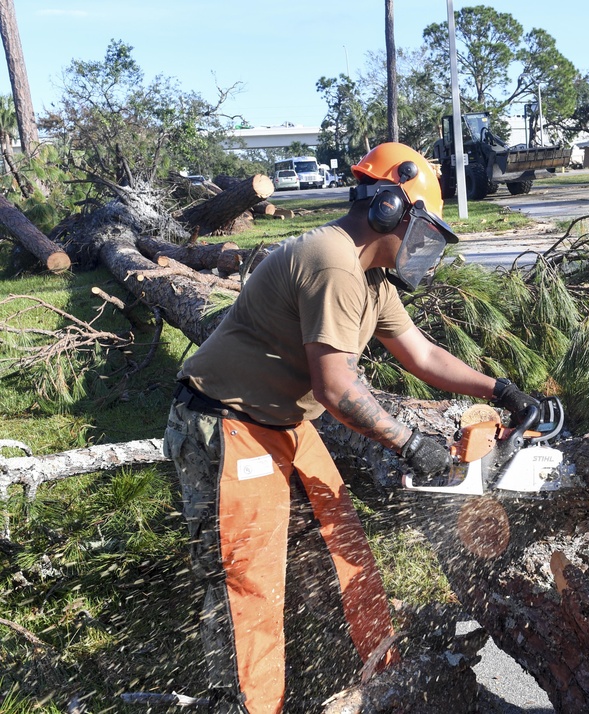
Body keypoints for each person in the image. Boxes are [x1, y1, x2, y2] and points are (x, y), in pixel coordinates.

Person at [162, 142, 536, 714]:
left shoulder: (374, 278)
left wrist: (502, 391)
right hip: (228, 422)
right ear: (389, 208)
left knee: (339, 547)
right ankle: (248, 704)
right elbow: (337, 389)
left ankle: (365, 680)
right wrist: (409, 443)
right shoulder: (331, 260)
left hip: (287, 421)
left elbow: (422, 354)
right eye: (426, 232)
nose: (426, 249)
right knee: (249, 583)